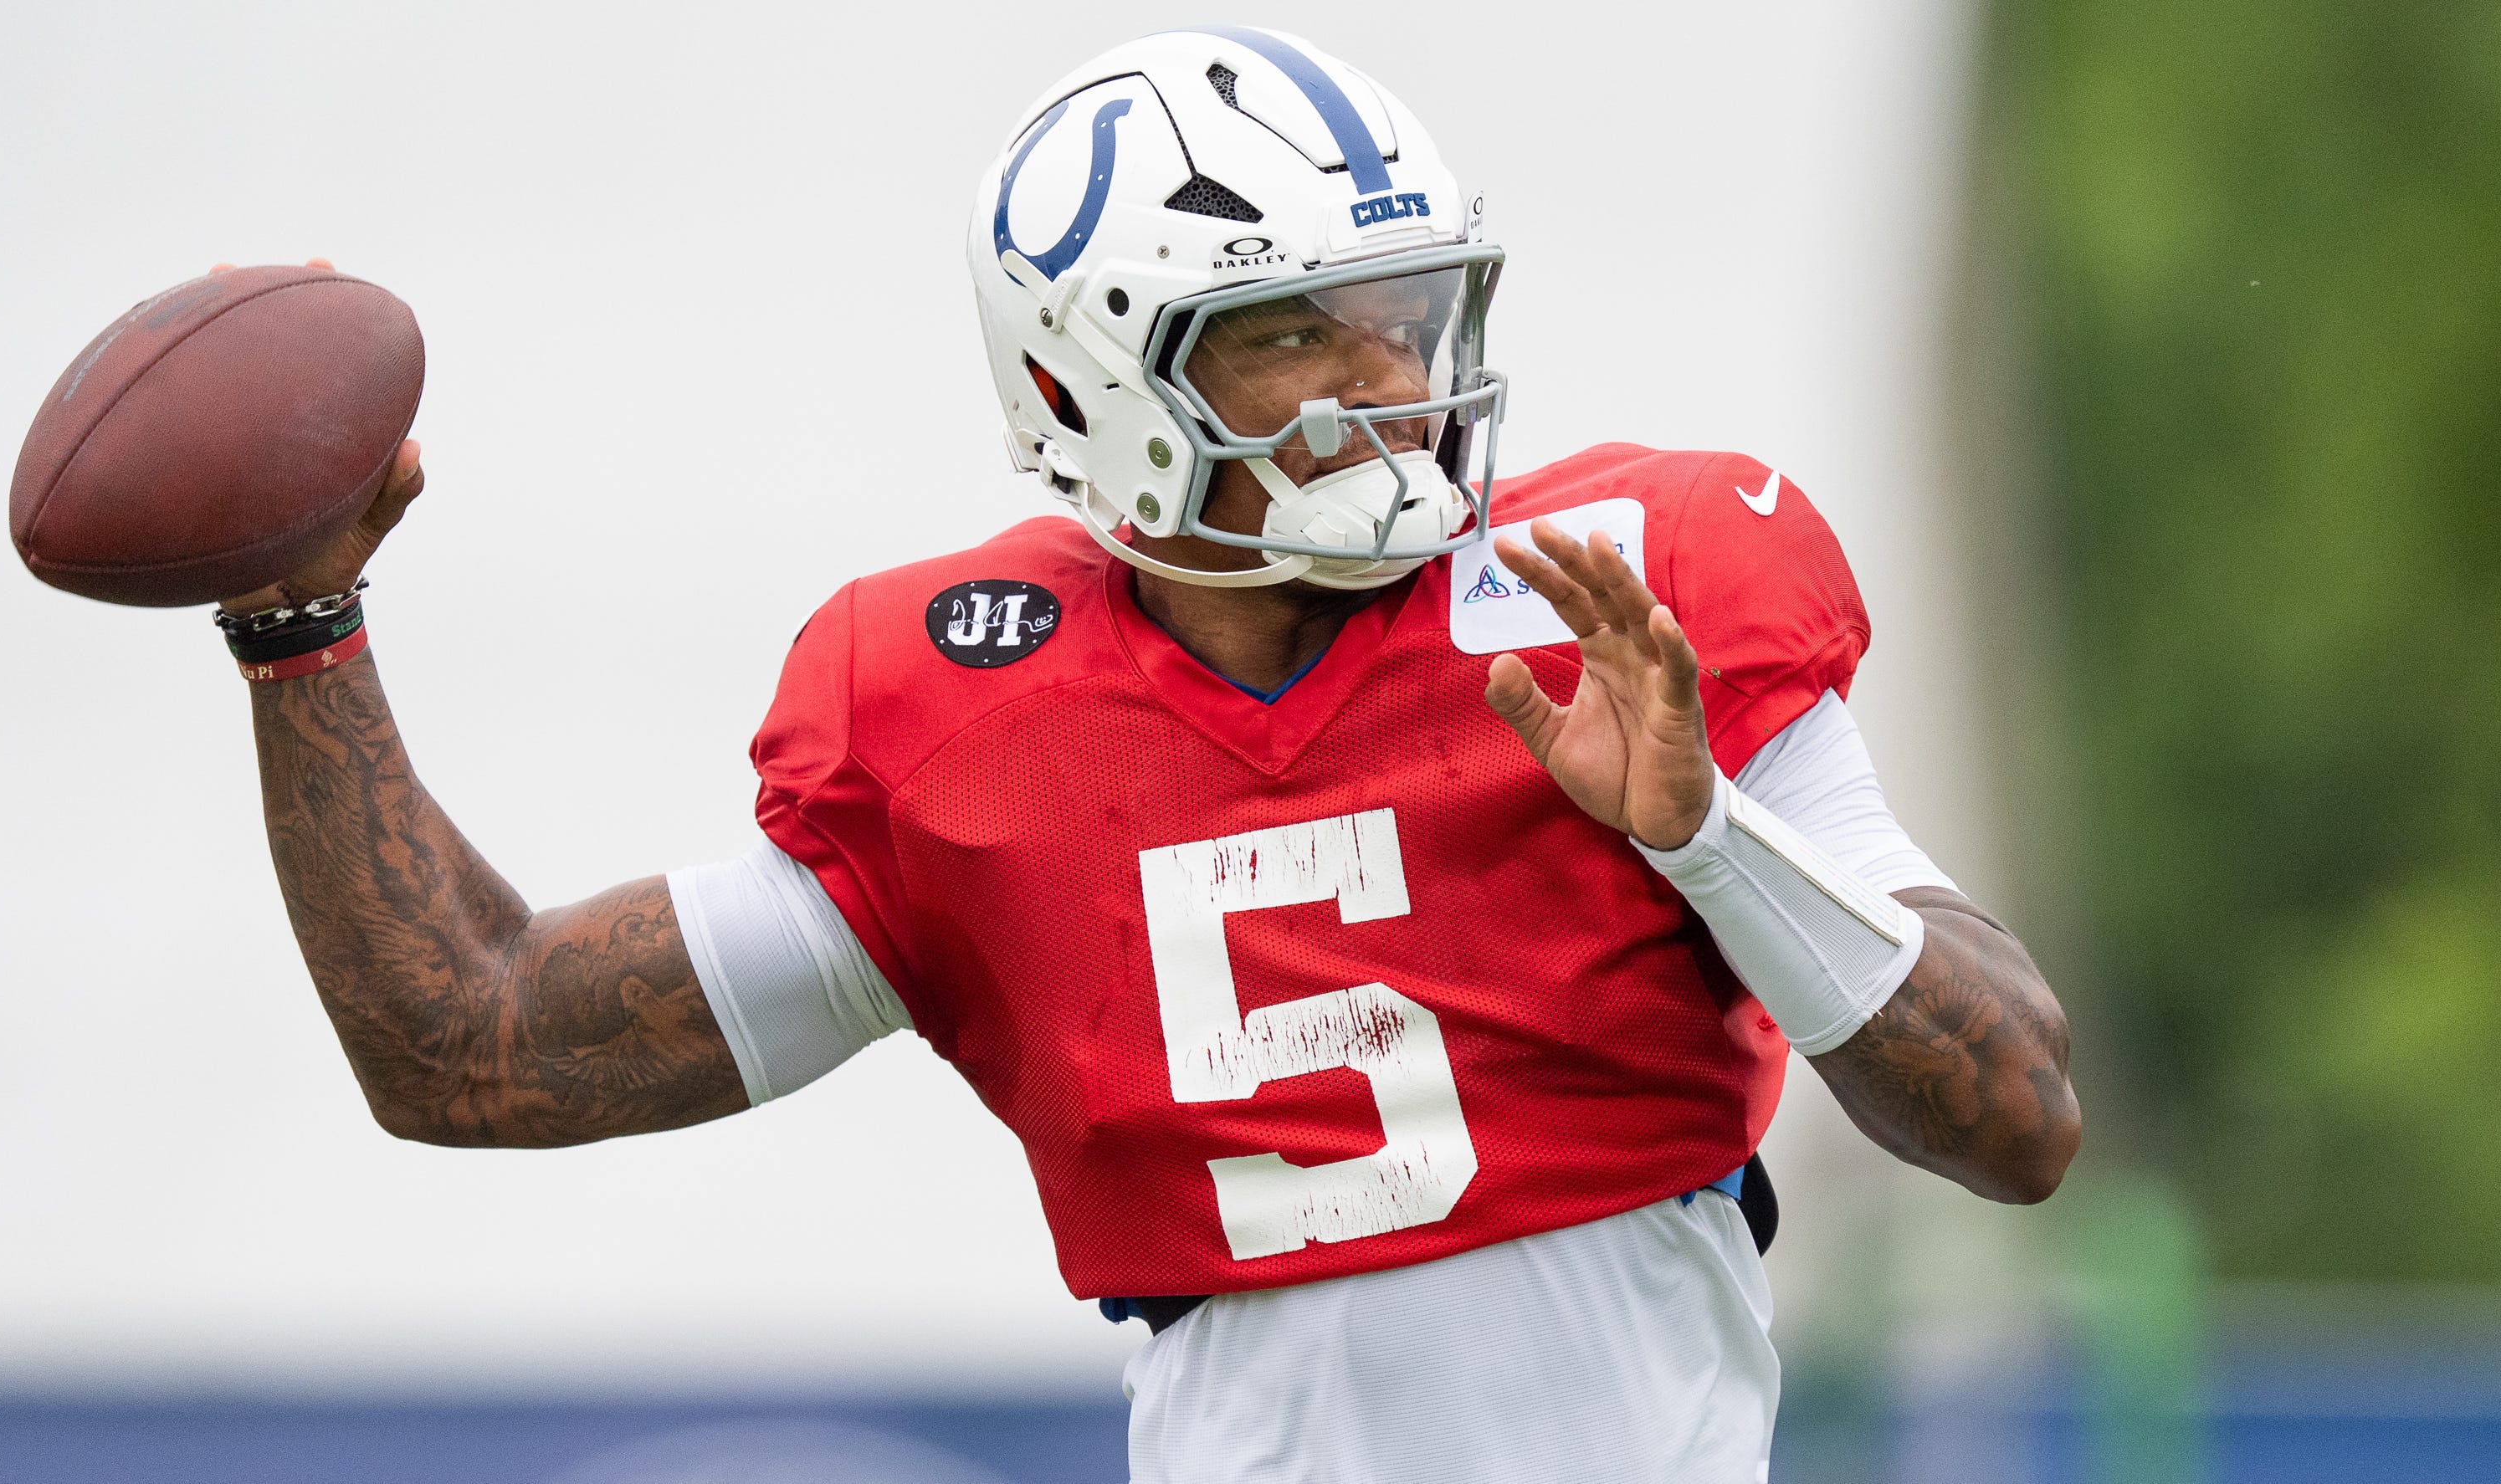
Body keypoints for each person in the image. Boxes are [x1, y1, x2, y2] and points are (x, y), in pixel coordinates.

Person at [213, 28, 2078, 1484]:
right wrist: (302, 626)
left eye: (1407, 315)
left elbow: (2017, 1120)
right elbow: (473, 1045)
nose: (1392, 384)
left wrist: (1713, 839)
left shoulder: (1622, 614)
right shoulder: (968, 723)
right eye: (1295, 335)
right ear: (1080, 386)